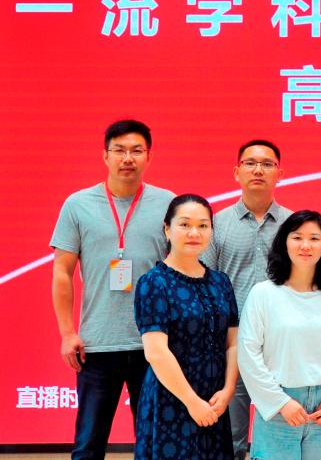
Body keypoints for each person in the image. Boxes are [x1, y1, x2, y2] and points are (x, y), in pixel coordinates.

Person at [50, 119, 175, 459]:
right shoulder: (77, 205)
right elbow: (62, 272)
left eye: (136, 150)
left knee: (153, 444)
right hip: (97, 345)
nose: (127, 158)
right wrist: (67, 333)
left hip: (154, 344)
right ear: (105, 156)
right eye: (119, 150)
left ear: (149, 156)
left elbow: (180, 272)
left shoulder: (168, 204)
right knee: (88, 444)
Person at [237, 210, 321, 459]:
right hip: (278, 408)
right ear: (284, 242)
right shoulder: (263, 294)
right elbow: (248, 354)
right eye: (297, 237)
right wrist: (280, 402)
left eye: (314, 238)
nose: (306, 245)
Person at [201, 139, 293, 459]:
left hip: (282, 342)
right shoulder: (216, 224)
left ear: (280, 173)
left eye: (267, 164)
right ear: (236, 172)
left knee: (283, 432)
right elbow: (205, 283)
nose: (258, 170)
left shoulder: (294, 225)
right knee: (231, 435)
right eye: (250, 163)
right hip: (231, 343)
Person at [133, 194, 238, 459]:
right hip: (171, 400)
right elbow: (156, 352)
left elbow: (233, 342)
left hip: (215, 401)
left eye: (203, 225)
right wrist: (192, 402)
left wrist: (227, 391)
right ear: (167, 229)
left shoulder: (221, 282)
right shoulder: (153, 282)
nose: (194, 233)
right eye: (184, 224)